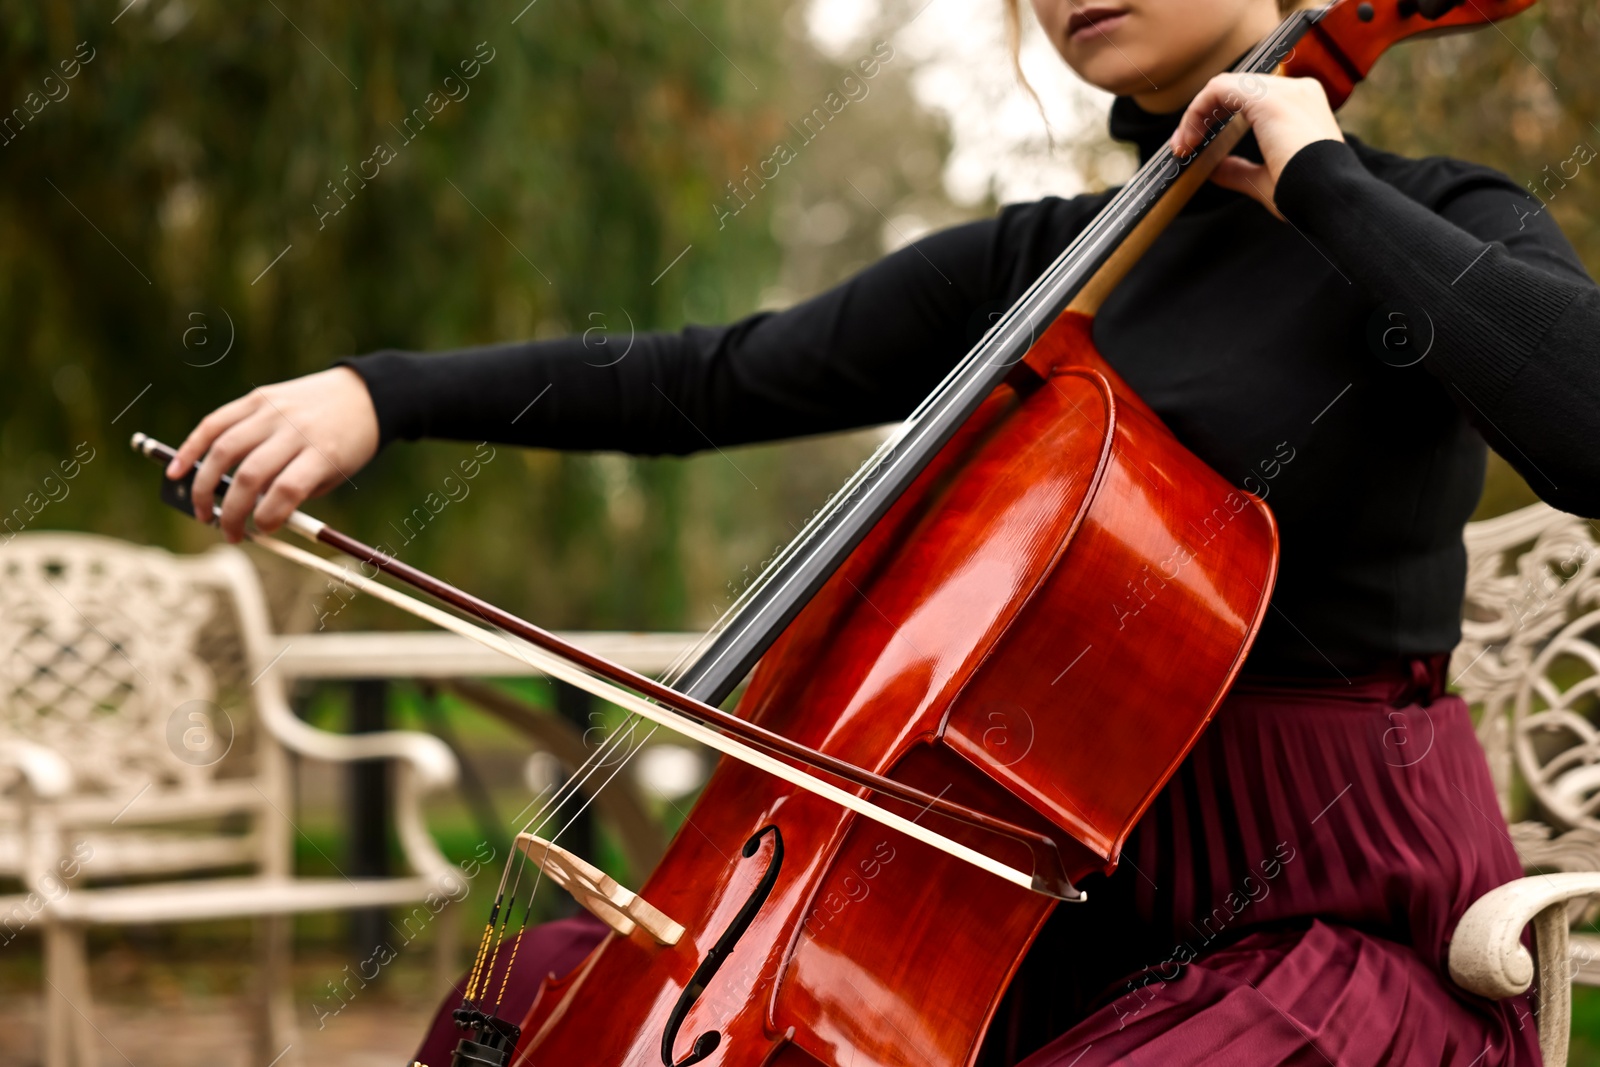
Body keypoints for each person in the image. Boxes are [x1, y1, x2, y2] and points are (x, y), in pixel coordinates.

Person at [170, 0, 1600, 1061]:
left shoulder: (1429, 220)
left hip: (1320, 917)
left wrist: (1323, 183)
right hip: (1015, 899)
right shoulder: (1039, 269)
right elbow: (706, 378)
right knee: (557, 997)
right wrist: (381, 393)